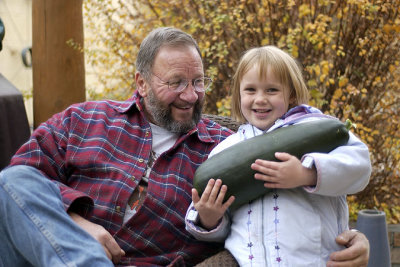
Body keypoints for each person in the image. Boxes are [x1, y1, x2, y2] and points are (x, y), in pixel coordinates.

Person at [0, 27, 369, 267]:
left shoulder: (226, 150)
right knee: (10, 181)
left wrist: (352, 238)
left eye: (198, 81)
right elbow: (21, 182)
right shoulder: (85, 120)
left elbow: (283, 202)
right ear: (141, 83)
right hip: (47, 252)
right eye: (176, 82)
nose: (190, 95)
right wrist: (77, 224)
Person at [185, 46, 371, 266]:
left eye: (271, 90)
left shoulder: (317, 128)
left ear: (291, 93)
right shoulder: (226, 150)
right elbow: (218, 227)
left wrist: (306, 174)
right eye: (250, 90)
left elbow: (360, 165)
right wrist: (209, 219)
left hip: (316, 260)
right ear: (239, 95)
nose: (260, 99)